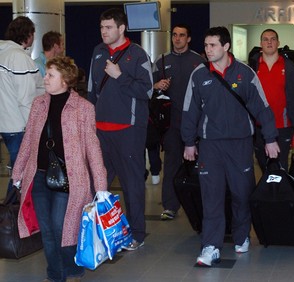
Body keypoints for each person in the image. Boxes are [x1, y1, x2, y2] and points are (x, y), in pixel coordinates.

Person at [182, 26, 280, 266]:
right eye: (205, 45)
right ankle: (211, 246)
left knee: (241, 194)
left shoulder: (245, 74)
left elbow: (262, 107)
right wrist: (188, 142)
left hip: (240, 145)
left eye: (213, 45)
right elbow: (189, 111)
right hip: (210, 146)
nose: (208, 50)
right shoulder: (198, 75)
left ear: (226, 46)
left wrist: (270, 138)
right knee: (211, 197)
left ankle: (241, 236)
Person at [12, 56, 107, 282]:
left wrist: (101, 187)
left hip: (70, 181)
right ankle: (55, 274)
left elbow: (93, 148)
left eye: (50, 75)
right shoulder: (38, 104)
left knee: (61, 228)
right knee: (47, 231)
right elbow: (28, 141)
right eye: (46, 74)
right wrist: (17, 174)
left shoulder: (84, 108)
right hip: (39, 177)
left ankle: (72, 270)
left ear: (65, 80)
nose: (45, 78)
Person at [88, 8, 153, 250]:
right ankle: (98, 231)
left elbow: (147, 91)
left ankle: (137, 234)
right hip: (100, 130)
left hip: (128, 130)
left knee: (132, 183)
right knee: (98, 183)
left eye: (108, 27)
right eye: (101, 27)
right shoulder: (98, 52)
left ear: (121, 28)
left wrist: (120, 75)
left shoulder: (137, 55)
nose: (104, 32)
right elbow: (92, 91)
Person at [152, 24, 206, 220]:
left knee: (201, 167)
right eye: (175, 35)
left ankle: (201, 206)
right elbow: (147, 87)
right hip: (171, 125)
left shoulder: (199, 61)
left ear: (189, 38)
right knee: (172, 165)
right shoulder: (162, 60)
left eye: (182, 35)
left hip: (195, 123)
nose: (177, 38)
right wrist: (156, 85)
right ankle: (170, 206)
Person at [250, 28, 294, 172]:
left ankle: (281, 193)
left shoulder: (290, 68)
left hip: (283, 126)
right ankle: (269, 193)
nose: (269, 42)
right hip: (259, 127)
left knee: (281, 166)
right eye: (265, 39)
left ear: (278, 42)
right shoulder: (252, 68)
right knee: (264, 165)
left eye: (272, 39)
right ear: (261, 43)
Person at [0, 16, 43, 197]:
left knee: (18, 172)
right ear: (27, 35)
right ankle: (10, 216)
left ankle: (11, 215)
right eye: (33, 33)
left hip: (5, 124)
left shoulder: (3, 53)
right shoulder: (18, 58)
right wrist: (33, 126)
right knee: (21, 176)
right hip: (19, 126)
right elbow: (26, 99)